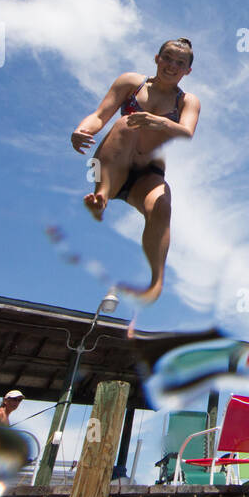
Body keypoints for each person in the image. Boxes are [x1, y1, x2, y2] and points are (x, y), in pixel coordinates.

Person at [71, 39, 201, 304]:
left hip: (148, 173)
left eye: (180, 63)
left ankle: (156, 281)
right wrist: (81, 130)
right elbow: (99, 115)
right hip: (115, 162)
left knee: (162, 206)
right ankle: (102, 197)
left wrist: (159, 122)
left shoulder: (187, 101)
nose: (172, 66)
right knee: (126, 123)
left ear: (187, 71)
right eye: (167, 58)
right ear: (156, 58)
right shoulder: (131, 83)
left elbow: (186, 132)